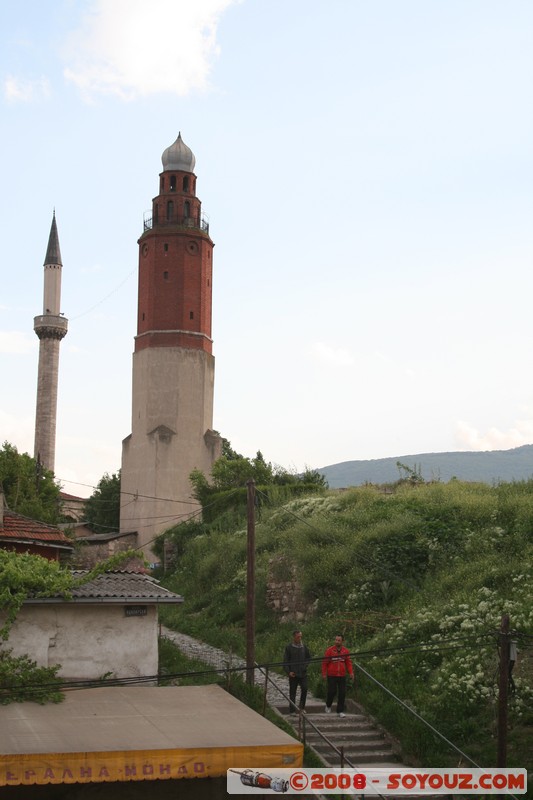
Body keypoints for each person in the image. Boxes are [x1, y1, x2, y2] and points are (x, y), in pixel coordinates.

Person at [321, 634, 354, 717]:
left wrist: (351, 672)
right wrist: (324, 673)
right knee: (332, 691)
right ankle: (328, 705)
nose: (337, 642)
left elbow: (348, 663)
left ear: (342, 641)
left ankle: (340, 711)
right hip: (332, 675)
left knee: (342, 693)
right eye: (336, 640)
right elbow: (325, 663)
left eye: (339, 640)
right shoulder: (330, 650)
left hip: (342, 675)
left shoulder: (345, 651)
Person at [283, 629, 311, 714]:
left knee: (305, 688)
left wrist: (305, 666)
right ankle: (292, 710)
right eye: (298, 637)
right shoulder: (289, 647)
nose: (300, 638)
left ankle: (301, 708)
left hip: (303, 673)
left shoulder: (304, 647)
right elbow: (285, 662)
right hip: (293, 673)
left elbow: (308, 658)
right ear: (294, 637)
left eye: (300, 637)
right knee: (292, 692)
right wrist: (289, 672)